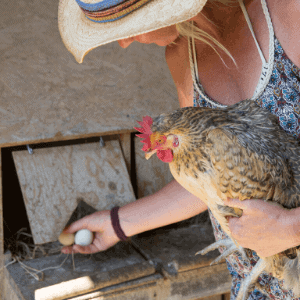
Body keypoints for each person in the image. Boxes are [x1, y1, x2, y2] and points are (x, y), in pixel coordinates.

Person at [58, 0, 300, 298]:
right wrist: (117, 224)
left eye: (131, 24)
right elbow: (207, 181)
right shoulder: (182, 57)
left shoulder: (289, 13)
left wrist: (290, 227)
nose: (123, 42)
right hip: (261, 285)